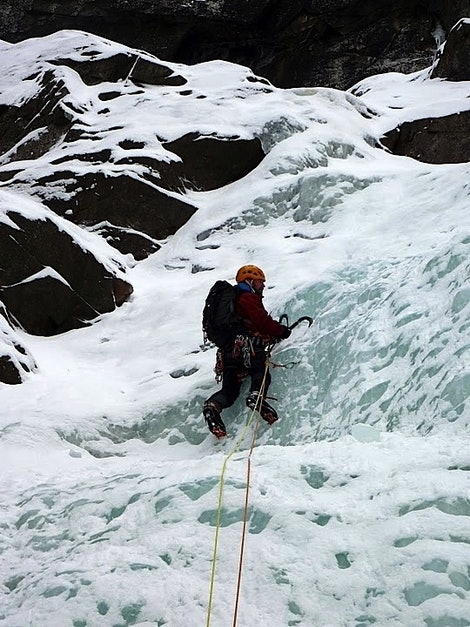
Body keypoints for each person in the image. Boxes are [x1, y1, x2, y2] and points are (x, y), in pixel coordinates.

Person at [203, 264, 291, 438]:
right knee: (261, 370)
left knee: (230, 391)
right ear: (249, 281)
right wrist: (282, 331)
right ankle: (256, 397)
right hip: (247, 348)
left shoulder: (233, 301)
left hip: (228, 353)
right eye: (259, 282)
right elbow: (262, 321)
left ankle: (212, 406)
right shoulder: (247, 298)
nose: (263, 286)